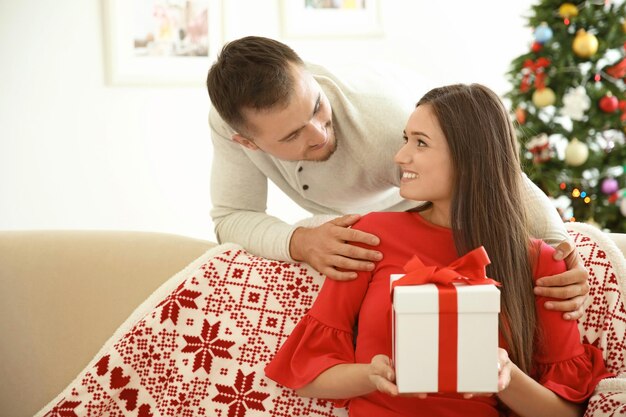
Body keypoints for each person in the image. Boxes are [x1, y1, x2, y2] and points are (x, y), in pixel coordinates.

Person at [264, 84, 613, 417]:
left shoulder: (542, 264)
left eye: (420, 143)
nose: (400, 156)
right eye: (405, 139)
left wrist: (505, 376)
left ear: (469, 157)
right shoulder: (370, 236)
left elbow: (564, 412)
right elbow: (308, 377)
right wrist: (371, 374)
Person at [206, 36, 588, 319]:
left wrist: (561, 251)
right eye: (292, 135)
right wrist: (299, 241)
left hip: (423, 213)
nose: (320, 134)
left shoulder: (384, 124)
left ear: (309, 76)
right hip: (357, 226)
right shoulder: (228, 128)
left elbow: (498, 175)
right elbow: (230, 217)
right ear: (247, 142)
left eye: (318, 107)